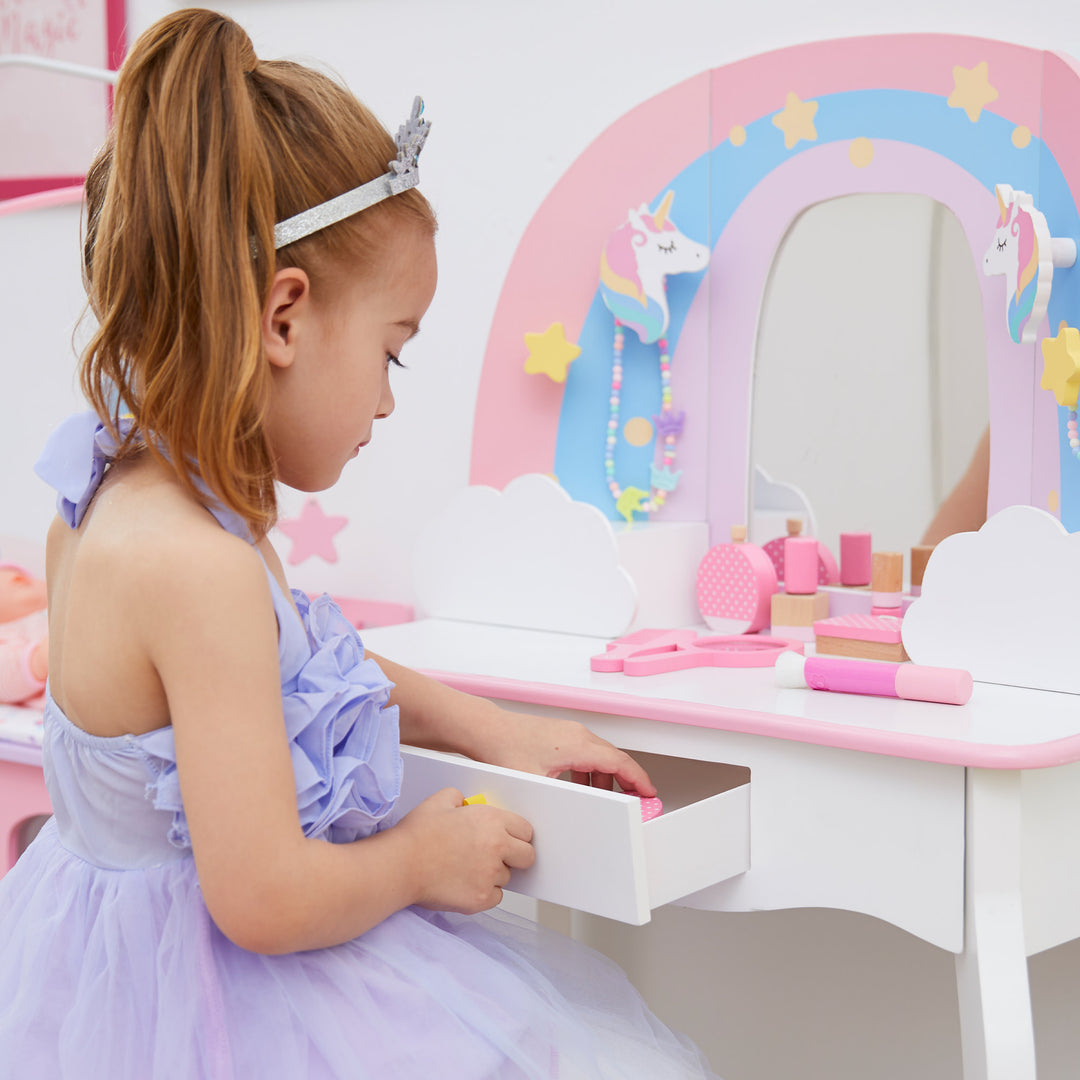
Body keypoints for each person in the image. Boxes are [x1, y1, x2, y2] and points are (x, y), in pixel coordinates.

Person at [0, 9, 719, 1078]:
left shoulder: (112, 492)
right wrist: (420, 860)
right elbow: (265, 898)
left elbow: (266, 667)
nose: (387, 400)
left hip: (103, 970)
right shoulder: (197, 566)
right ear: (284, 316)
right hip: (212, 999)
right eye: (394, 352)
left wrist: (492, 728)